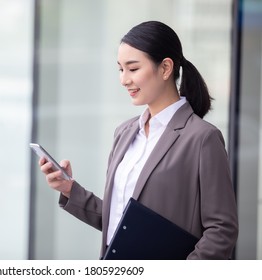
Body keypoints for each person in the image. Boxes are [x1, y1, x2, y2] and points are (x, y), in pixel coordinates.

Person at [38, 21, 238, 260]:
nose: (124, 80)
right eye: (120, 69)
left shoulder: (202, 138)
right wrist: (69, 189)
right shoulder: (125, 132)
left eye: (132, 69)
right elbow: (120, 220)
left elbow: (221, 230)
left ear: (165, 68)